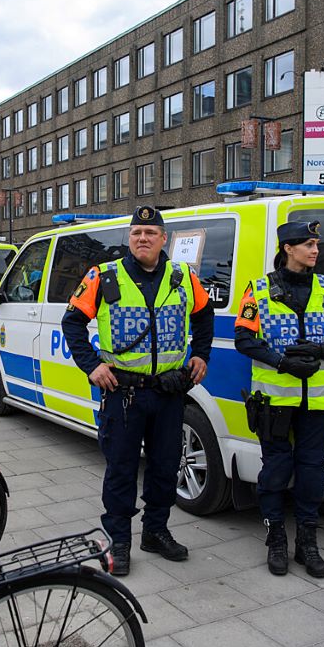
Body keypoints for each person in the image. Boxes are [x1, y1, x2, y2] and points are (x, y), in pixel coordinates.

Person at [61, 205, 215, 576]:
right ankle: (119, 540)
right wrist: (92, 365)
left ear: (164, 239)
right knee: (121, 470)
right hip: (124, 393)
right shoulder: (104, 276)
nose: (142, 239)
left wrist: (201, 355)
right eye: (136, 233)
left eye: (150, 233)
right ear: (128, 239)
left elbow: (204, 315)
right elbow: (73, 323)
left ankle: (155, 532)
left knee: (165, 468)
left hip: (170, 393)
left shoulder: (182, 277)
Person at [233, 220, 324, 579]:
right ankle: (276, 539)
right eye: (308, 244)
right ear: (288, 248)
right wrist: (282, 362)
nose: (315, 250)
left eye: (316, 244)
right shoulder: (259, 290)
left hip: (318, 402)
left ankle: (308, 542)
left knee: (311, 473)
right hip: (274, 401)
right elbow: (244, 338)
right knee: (275, 471)